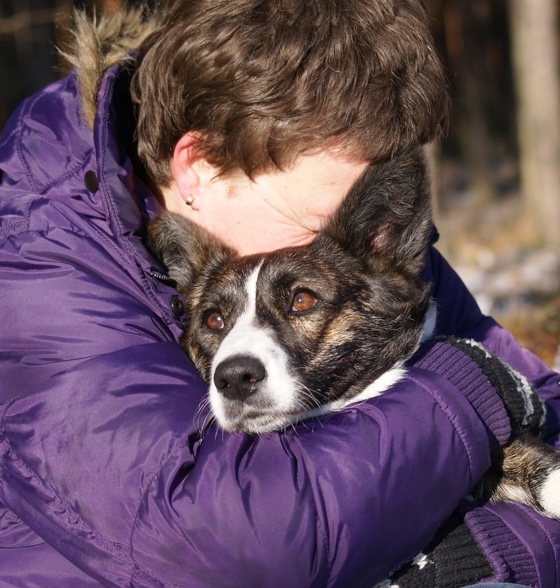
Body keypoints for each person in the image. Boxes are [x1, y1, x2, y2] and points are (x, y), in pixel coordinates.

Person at [0, 1, 559, 586]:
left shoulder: (344, 243)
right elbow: (237, 546)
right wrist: (464, 393)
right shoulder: (36, 254)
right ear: (199, 167)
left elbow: (543, 407)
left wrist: (491, 546)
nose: (342, 241)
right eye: (319, 217)